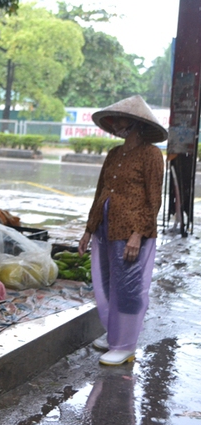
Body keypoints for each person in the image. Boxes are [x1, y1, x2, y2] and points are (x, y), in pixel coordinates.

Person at [78, 95, 167, 366]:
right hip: (107, 227)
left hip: (131, 232)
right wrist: (88, 229)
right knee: (108, 281)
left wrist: (138, 234)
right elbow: (101, 192)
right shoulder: (114, 154)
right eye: (114, 121)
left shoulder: (151, 154)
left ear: (136, 124)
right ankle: (114, 333)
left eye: (121, 120)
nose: (116, 125)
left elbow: (154, 199)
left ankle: (126, 344)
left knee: (128, 286)